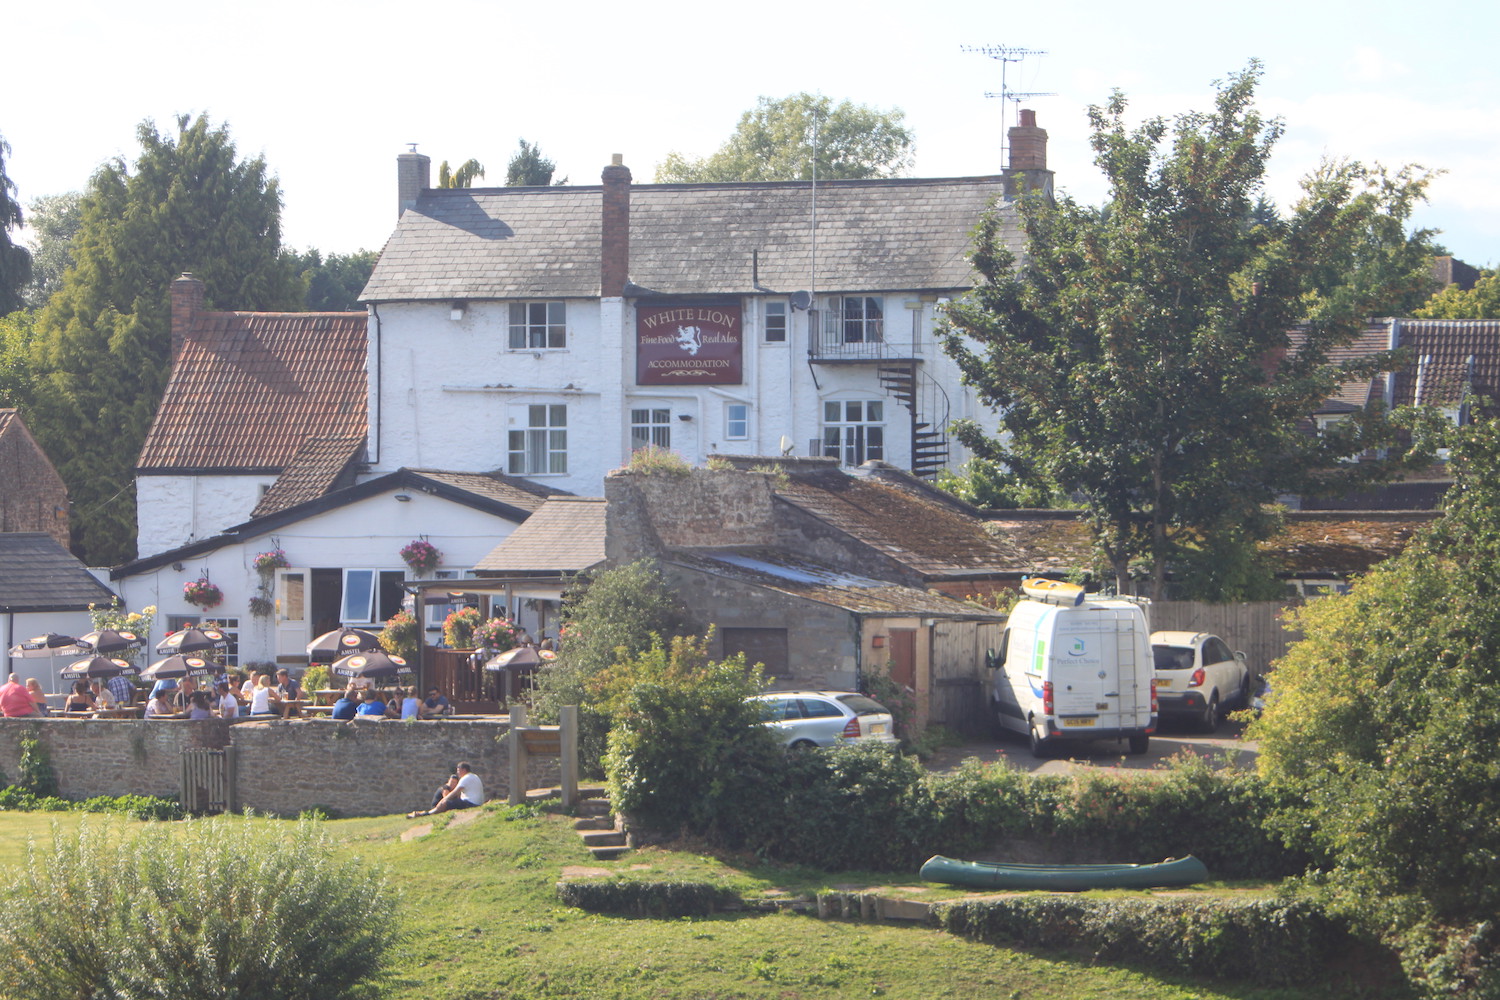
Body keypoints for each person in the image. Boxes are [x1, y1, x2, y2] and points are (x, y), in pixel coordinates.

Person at [407, 761, 483, 818]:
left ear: (463, 770)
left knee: (445, 803)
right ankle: (425, 813)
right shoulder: (475, 776)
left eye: (458, 770)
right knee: (450, 802)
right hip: (477, 803)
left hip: (469, 803)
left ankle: (427, 814)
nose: (457, 773)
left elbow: (455, 792)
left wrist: (444, 800)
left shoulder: (465, 778)